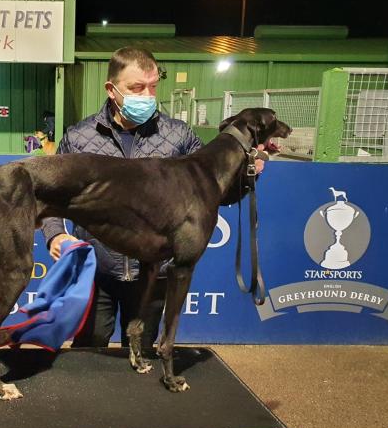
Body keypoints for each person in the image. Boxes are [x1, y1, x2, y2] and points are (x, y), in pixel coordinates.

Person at [41, 47, 264, 351]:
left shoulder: (179, 137)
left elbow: (215, 196)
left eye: (153, 86)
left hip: (154, 276)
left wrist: (248, 175)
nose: (147, 95)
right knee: (88, 353)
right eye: (136, 88)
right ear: (112, 89)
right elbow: (51, 194)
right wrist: (55, 234)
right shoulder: (79, 137)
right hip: (97, 272)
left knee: (142, 354)